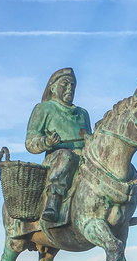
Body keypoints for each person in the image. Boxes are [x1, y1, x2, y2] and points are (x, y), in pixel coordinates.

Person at [26, 68, 92, 223]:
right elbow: (30, 141)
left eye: (73, 85)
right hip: (57, 161)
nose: (70, 88)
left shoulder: (83, 113)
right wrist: (46, 142)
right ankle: (53, 203)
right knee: (66, 156)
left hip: (83, 159)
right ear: (53, 87)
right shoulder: (44, 108)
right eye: (65, 84)